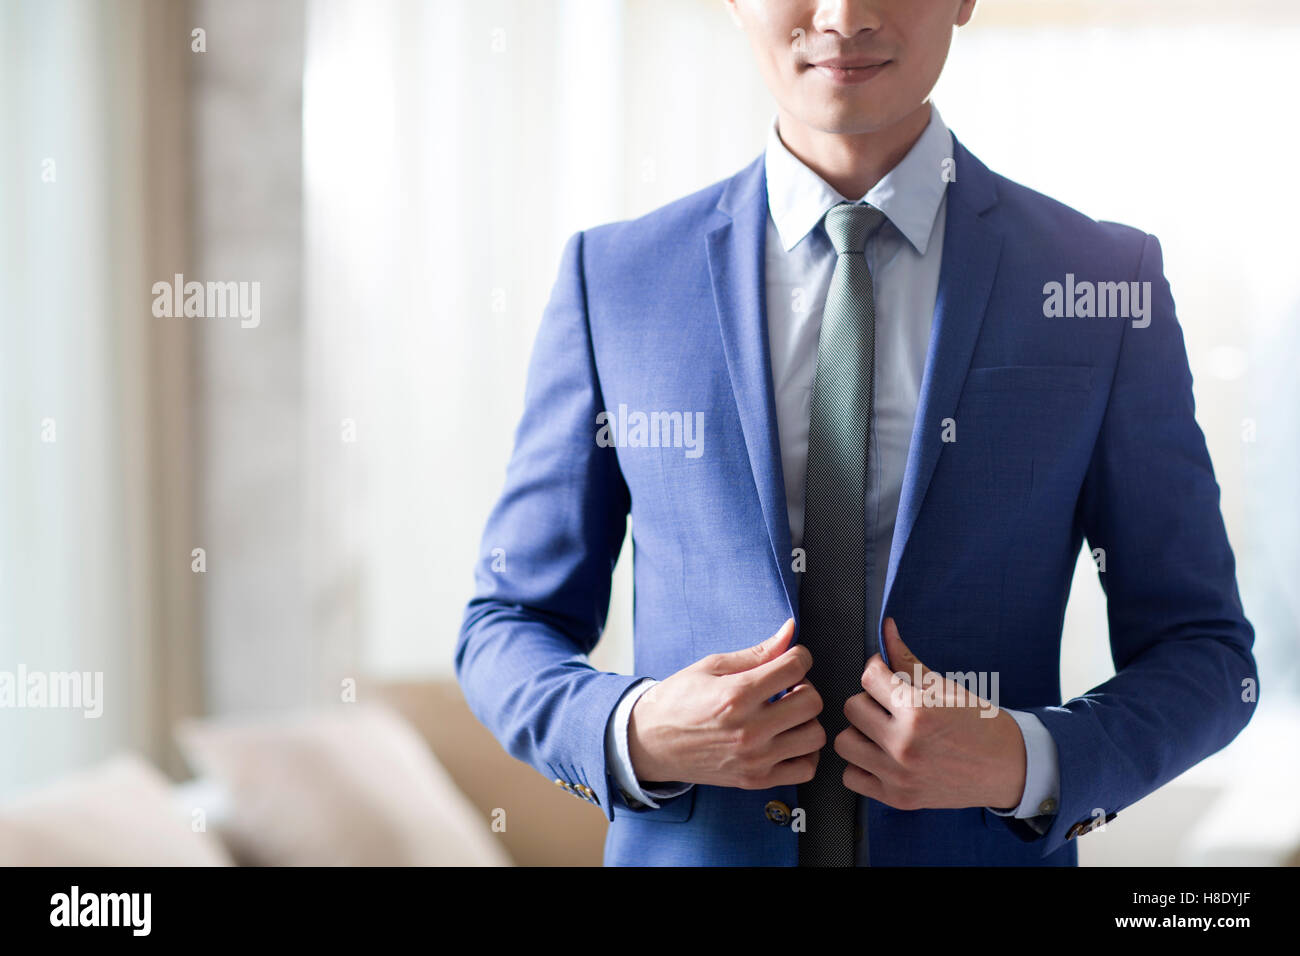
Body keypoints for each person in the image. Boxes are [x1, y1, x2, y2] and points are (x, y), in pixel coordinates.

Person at [455, 0, 1258, 866]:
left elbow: (1206, 654)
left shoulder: (1100, 282)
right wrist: (634, 730)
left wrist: (1029, 758)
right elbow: (507, 621)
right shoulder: (613, 280)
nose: (842, 16)